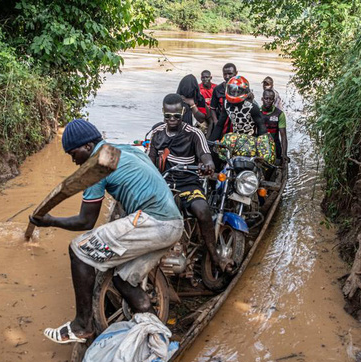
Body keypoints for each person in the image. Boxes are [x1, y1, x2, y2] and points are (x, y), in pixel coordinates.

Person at [31, 119, 184, 344]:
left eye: (74, 154)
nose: (74, 162)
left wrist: (50, 221)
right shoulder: (124, 149)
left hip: (154, 222)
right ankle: (157, 336)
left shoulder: (98, 166)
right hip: (173, 224)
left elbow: (86, 221)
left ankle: (82, 326)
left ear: (87, 146)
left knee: (79, 250)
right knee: (124, 281)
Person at [148, 94, 233, 273]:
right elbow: (150, 163)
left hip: (188, 183)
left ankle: (214, 256)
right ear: (163, 113)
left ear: (183, 112)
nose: (172, 120)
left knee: (202, 210)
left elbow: (206, 156)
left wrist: (208, 166)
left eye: (176, 116)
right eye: (168, 116)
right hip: (163, 184)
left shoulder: (194, 134)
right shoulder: (156, 134)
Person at [211, 75, 267, 141]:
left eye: (238, 91)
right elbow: (220, 125)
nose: (235, 94)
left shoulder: (252, 107)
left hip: (250, 141)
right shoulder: (226, 104)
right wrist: (210, 142)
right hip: (235, 140)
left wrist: (261, 145)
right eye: (232, 91)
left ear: (245, 91)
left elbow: (261, 128)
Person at [261, 89, 289, 165]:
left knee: (276, 166)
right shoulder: (257, 112)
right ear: (262, 99)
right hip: (260, 146)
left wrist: (284, 154)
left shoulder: (279, 114)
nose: (268, 101)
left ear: (273, 100)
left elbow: (283, 136)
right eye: (266, 98)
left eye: (271, 99)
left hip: (275, 147)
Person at [209, 63, 237, 128]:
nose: (227, 77)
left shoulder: (242, 88)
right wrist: (216, 121)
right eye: (225, 74)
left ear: (236, 73)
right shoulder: (217, 89)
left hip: (237, 120)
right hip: (222, 120)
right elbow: (212, 108)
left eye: (230, 74)